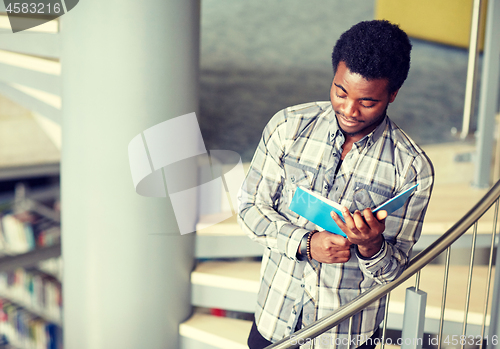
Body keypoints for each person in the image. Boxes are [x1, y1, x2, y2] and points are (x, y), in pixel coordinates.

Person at [237, 20, 434, 349]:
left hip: (346, 336)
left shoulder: (411, 169)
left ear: (393, 94)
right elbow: (249, 209)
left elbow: (393, 273)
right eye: (340, 92)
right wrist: (306, 242)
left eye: (367, 102)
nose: (349, 109)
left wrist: (371, 247)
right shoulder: (288, 127)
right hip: (274, 318)